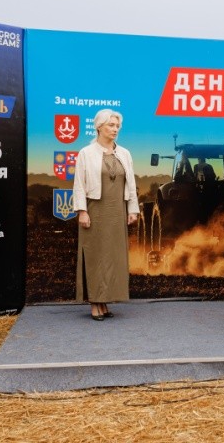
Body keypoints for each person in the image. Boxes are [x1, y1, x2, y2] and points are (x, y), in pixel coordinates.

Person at [73, 109, 139, 321]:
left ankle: (105, 300)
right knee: (95, 257)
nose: (115, 129)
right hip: (95, 211)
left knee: (113, 257)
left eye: (117, 126)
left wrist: (132, 209)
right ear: (99, 126)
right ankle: (95, 303)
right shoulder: (86, 153)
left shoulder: (125, 154)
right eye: (111, 125)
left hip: (117, 211)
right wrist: (82, 211)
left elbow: (131, 185)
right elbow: (79, 185)